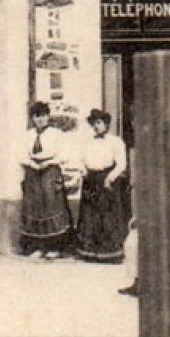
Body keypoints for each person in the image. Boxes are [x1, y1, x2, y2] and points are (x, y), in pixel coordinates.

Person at [74, 109, 130, 264]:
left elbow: (122, 164)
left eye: (99, 123)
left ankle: (110, 253)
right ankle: (89, 252)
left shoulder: (115, 142)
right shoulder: (88, 142)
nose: (96, 126)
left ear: (106, 124)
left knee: (107, 216)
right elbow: (80, 160)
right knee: (90, 216)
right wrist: (83, 171)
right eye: (94, 123)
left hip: (107, 179)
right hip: (91, 179)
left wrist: (110, 178)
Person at [20, 101, 73, 258]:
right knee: (35, 208)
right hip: (33, 173)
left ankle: (54, 248)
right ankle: (37, 247)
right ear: (32, 118)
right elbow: (21, 155)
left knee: (52, 206)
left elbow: (64, 155)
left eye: (43, 115)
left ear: (48, 116)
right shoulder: (28, 136)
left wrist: (49, 162)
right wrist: (31, 164)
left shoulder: (56, 134)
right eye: (37, 116)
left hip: (50, 172)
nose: (40, 119)